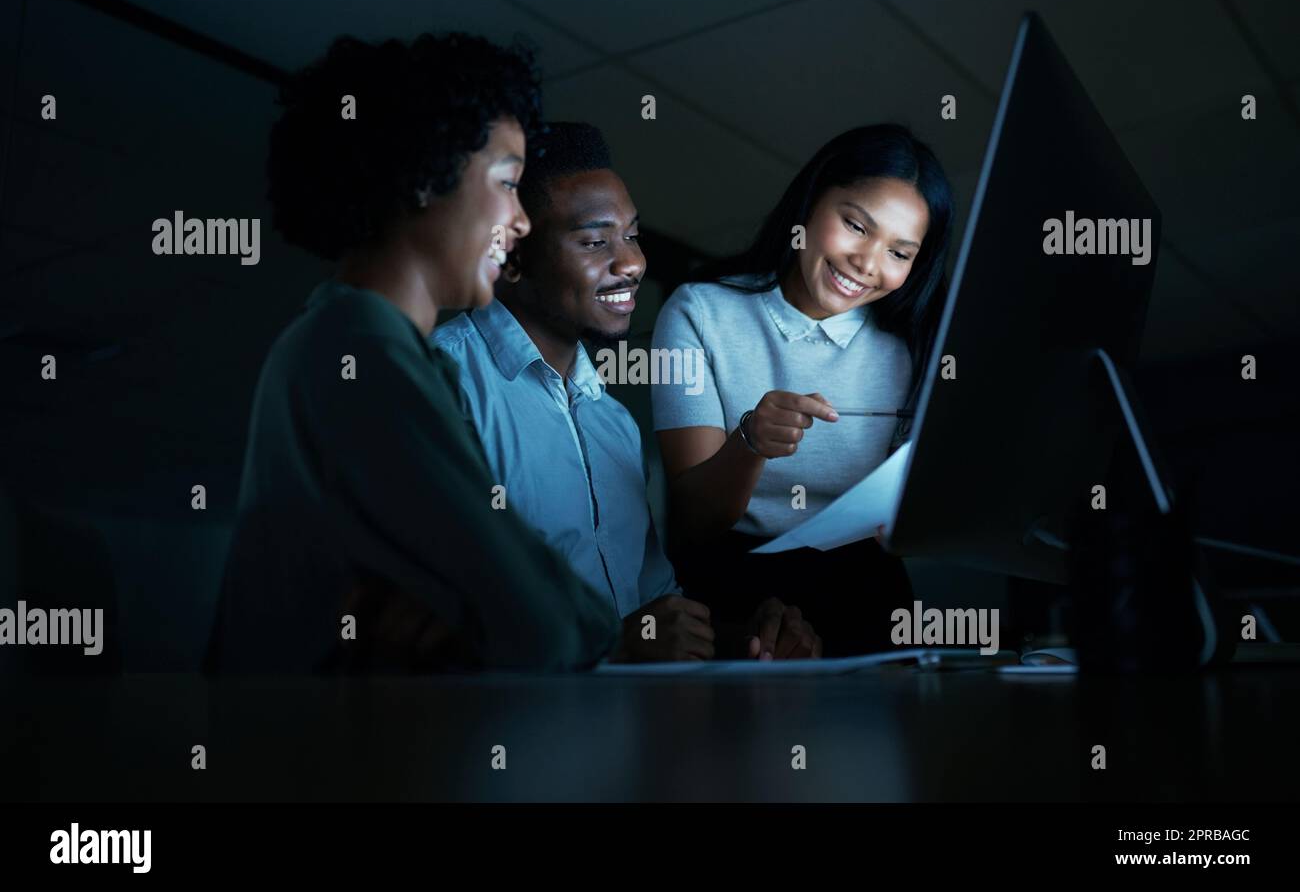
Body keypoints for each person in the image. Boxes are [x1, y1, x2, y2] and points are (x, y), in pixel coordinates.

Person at [205, 35, 620, 674]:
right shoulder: (361, 351)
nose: (523, 220)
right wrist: (526, 618)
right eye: (509, 183)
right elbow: (549, 626)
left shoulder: (353, 342)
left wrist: (461, 617)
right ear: (429, 172)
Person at [433, 122, 821, 661]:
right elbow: (419, 624)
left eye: (632, 236)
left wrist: (742, 640)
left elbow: (649, 605)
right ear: (512, 255)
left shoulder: (612, 420)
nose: (633, 263)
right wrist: (612, 646)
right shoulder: (440, 383)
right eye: (596, 241)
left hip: (623, 734)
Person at [651, 124, 954, 655]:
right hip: (730, 587)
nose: (868, 264)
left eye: (900, 254)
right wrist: (750, 444)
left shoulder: (913, 343)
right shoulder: (700, 312)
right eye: (856, 225)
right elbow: (696, 518)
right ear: (812, 202)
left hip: (867, 594)